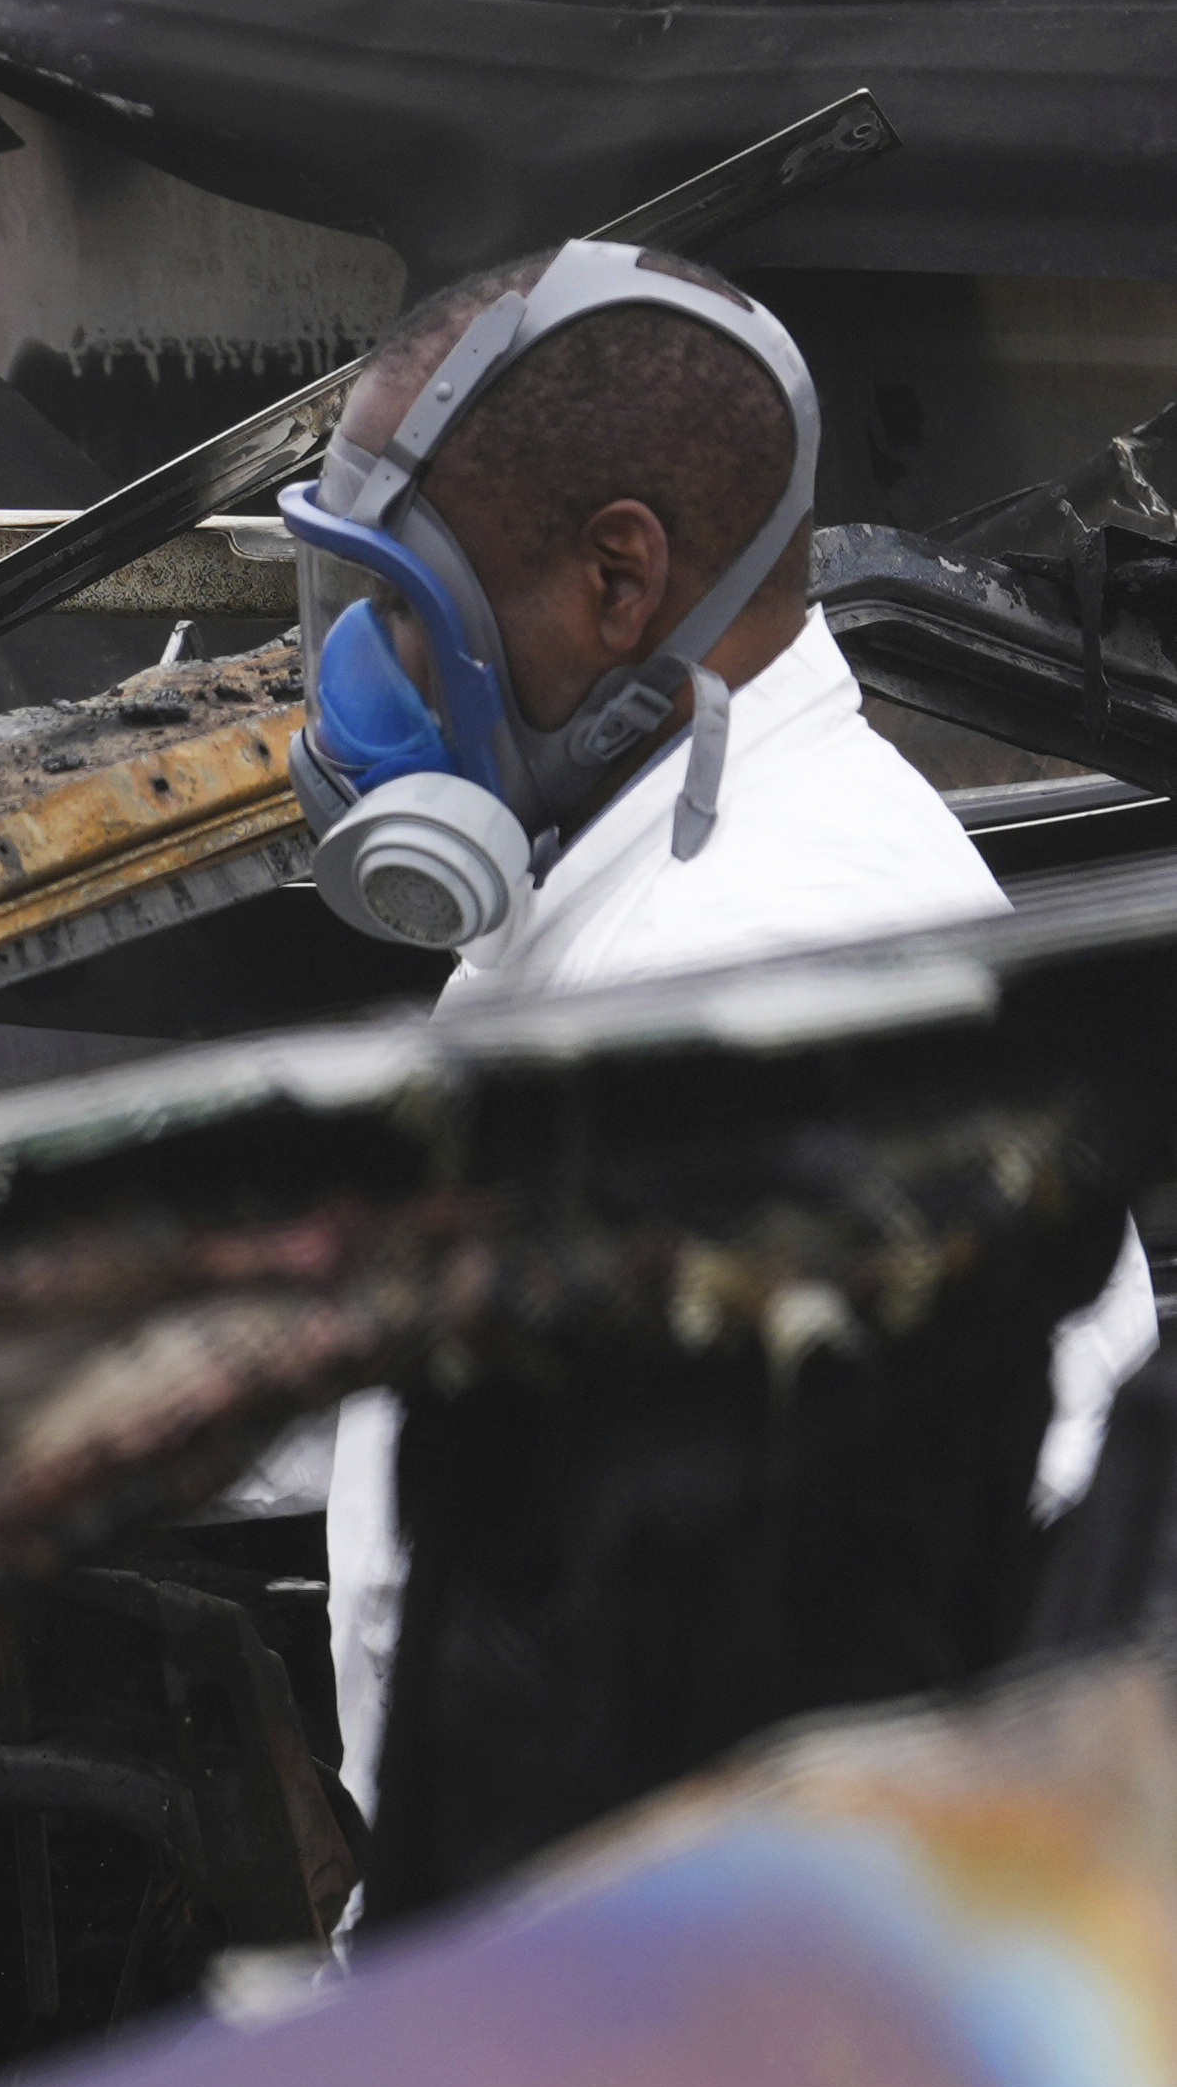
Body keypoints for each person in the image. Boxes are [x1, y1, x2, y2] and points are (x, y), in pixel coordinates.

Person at [279, 240, 1154, 1823]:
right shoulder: (652, 879)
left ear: (618, 583)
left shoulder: (749, 987)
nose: (353, 688)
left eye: (400, 614)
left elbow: (686, 1736)